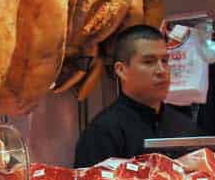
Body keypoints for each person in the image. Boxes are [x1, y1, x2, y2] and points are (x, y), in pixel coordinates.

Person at [73, 25, 201, 167]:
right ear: (121, 70)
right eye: (149, 62)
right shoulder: (103, 132)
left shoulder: (185, 125)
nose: (161, 70)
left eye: (165, 61)